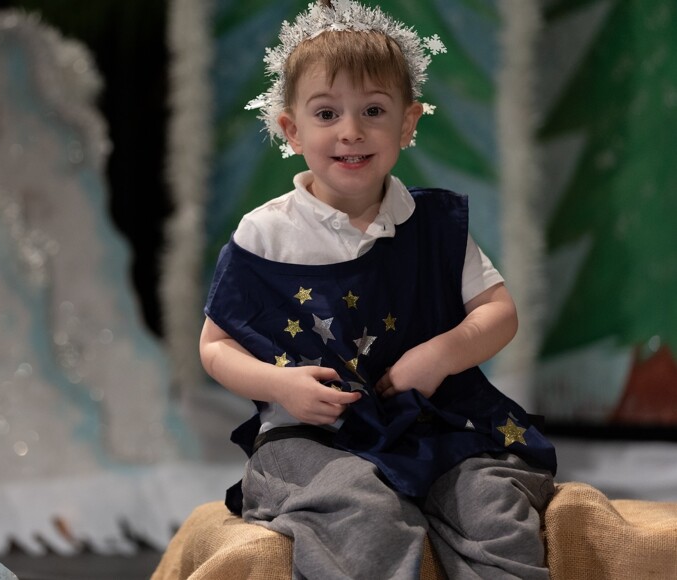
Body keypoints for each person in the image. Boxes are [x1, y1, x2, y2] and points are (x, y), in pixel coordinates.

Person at [199, 1, 557, 578]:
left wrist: (441, 354)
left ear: (407, 123)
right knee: (362, 509)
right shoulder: (266, 234)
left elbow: (499, 312)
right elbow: (215, 346)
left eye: (373, 110)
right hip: (312, 435)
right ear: (291, 129)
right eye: (326, 113)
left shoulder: (432, 226)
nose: (351, 131)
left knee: (491, 506)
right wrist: (279, 385)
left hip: (430, 420)